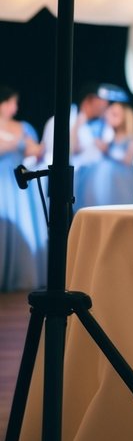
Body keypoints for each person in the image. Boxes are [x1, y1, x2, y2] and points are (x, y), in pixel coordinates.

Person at [0, 85, 47, 291]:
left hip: (18, 181)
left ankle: (22, 275)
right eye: (11, 102)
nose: (14, 107)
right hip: (2, 181)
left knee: (24, 223)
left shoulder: (23, 127)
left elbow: (34, 150)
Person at [74, 101, 133, 208]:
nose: (110, 117)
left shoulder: (131, 138)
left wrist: (108, 151)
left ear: (125, 118)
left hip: (123, 178)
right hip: (107, 176)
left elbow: (128, 160)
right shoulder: (110, 136)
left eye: (115, 115)